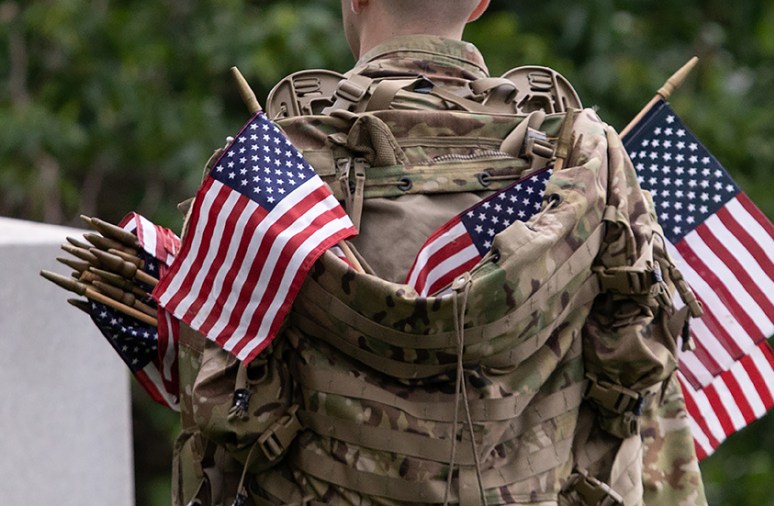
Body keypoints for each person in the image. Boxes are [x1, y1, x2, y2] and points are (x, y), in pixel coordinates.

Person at [173, 1, 708, 504]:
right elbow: (638, 398)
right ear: (479, 3)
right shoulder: (586, 164)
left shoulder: (265, 175)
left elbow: (213, 426)